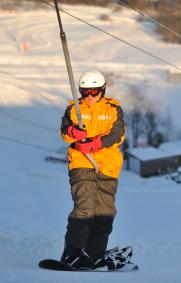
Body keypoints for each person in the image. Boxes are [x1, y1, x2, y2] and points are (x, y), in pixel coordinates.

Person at [59, 70, 126, 270]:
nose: (89, 96)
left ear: (102, 90)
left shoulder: (113, 108)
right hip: (81, 161)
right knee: (85, 207)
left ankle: (93, 255)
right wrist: (72, 131)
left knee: (105, 212)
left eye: (94, 91)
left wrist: (97, 143)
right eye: (85, 91)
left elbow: (118, 134)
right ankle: (71, 253)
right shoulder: (73, 108)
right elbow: (64, 131)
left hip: (108, 164)